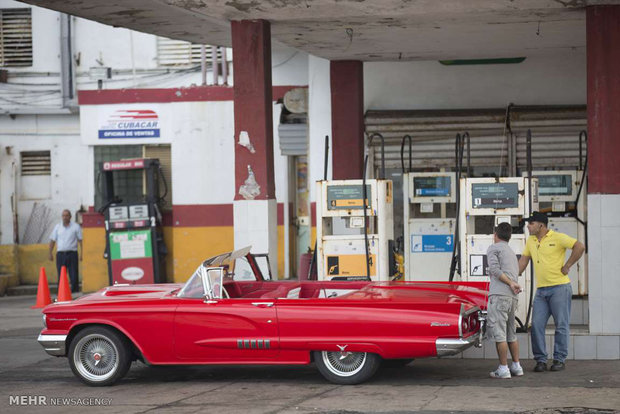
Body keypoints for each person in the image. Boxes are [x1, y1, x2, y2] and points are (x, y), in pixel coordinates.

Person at [519, 211, 585, 373]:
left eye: (531, 223)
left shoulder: (558, 237)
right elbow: (524, 260)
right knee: (536, 325)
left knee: (561, 325)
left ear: (541, 225)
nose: (528, 226)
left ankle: (559, 359)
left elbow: (580, 246)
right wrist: (511, 277)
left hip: (560, 288)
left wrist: (568, 265)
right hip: (541, 291)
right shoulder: (531, 240)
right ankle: (541, 360)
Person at [486, 222, 523, 379]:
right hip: (511, 297)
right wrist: (513, 284)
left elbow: (494, 270)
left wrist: (510, 283)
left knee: (499, 334)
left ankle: (503, 368)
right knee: (511, 333)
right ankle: (516, 366)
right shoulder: (511, 252)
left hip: (499, 296)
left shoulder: (493, 248)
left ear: (495, 234)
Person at [49, 209, 83, 293]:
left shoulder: (76, 227)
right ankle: (61, 292)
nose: (65, 217)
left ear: (70, 217)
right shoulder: (57, 227)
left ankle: (74, 291)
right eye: (63, 215)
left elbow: (81, 241)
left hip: (72, 254)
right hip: (60, 254)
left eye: (67, 215)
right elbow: (52, 240)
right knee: (61, 274)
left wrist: (82, 253)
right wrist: (50, 253)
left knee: (73, 273)